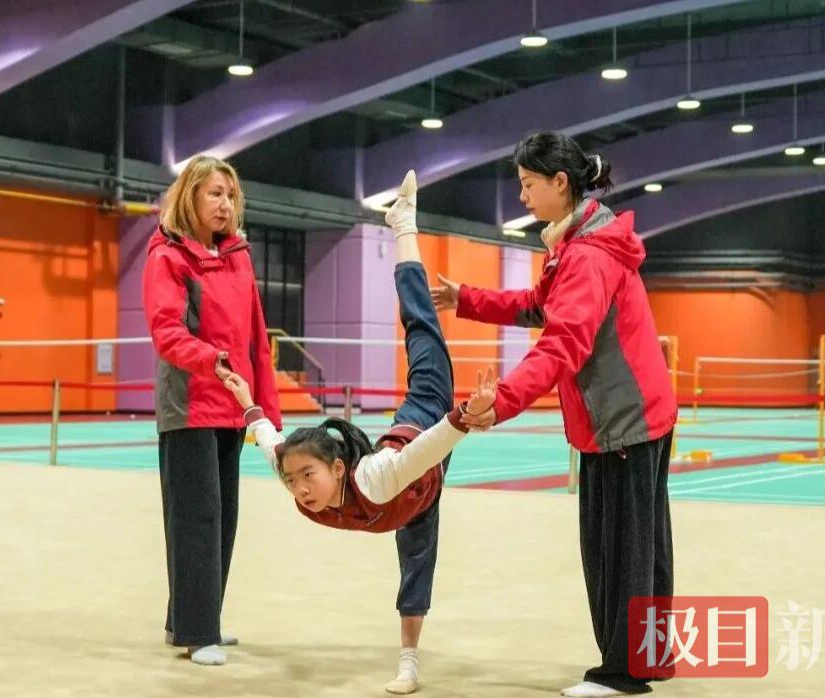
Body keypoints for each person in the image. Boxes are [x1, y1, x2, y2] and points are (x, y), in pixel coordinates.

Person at [221, 170, 496, 695]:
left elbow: (429, 447)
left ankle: (403, 223)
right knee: (418, 558)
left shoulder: (377, 477)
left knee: (420, 325)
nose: (300, 488)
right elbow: (268, 439)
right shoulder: (295, 477)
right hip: (414, 496)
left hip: (425, 419)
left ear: (338, 467)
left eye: (308, 476)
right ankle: (411, 662)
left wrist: (464, 414)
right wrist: (247, 401)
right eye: (293, 480)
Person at [430, 132, 678, 697]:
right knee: (643, 545)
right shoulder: (582, 243)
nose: (521, 196)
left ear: (560, 183)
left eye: (527, 184)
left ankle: (622, 674)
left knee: (617, 550)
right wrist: (466, 298)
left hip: (621, 421)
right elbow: (539, 306)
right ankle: (650, 657)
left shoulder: (586, 256)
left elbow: (562, 344)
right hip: (640, 415)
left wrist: (501, 402)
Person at [142, 155, 282, 666]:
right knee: (195, 519)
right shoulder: (167, 257)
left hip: (232, 406)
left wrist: (266, 410)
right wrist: (210, 360)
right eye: (214, 194)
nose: (225, 205)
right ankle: (198, 633)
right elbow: (166, 332)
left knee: (222, 518)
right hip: (189, 406)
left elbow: (257, 338)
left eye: (230, 195)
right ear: (191, 197)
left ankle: (194, 619)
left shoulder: (239, 256)